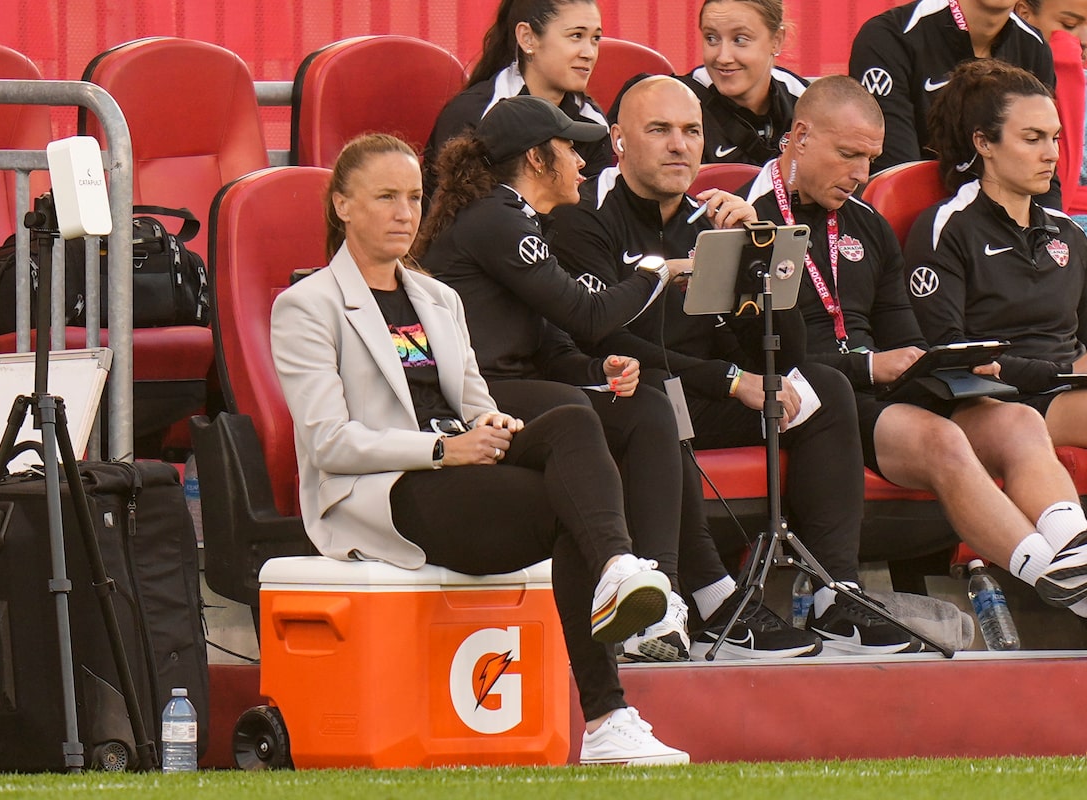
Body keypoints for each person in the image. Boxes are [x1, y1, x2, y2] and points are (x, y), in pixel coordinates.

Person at [270, 133, 689, 765]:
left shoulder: (438, 297)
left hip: (461, 465)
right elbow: (329, 444)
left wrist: (489, 429)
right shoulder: (307, 306)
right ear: (342, 207)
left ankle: (618, 578)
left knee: (575, 421)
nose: (404, 213)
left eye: (413, 197)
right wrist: (445, 451)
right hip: (389, 489)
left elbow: (474, 401)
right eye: (385, 197)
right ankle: (608, 713)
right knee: (567, 508)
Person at [417, 92, 830, 660]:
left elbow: (553, 337)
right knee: (624, 412)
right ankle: (674, 595)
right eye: (570, 148)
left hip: (514, 384)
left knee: (648, 404)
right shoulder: (495, 217)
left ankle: (658, 596)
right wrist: (659, 271)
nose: (583, 165)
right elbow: (585, 314)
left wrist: (596, 369)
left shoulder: (515, 217)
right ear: (537, 159)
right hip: (475, 398)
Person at [546, 74, 914, 657]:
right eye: (660, 130)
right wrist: (730, 380)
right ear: (618, 139)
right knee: (659, 402)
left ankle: (833, 593)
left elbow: (785, 352)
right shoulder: (581, 218)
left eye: (692, 131)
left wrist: (757, 245)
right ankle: (715, 600)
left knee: (823, 387)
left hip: (708, 391)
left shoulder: (712, 217)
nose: (679, 145)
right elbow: (604, 335)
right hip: (623, 391)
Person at [744, 75, 1087, 619]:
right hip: (821, 396)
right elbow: (759, 352)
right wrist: (870, 366)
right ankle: (1056, 579)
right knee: (942, 440)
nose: (861, 175)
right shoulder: (747, 217)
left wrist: (925, 362)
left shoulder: (868, 224)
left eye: (871, 160)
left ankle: (1076, 559)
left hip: (886, 384)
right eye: (848, 155)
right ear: (801, 136)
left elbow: (904, 331)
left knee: (1018, 421)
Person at [904, 59, 1087, 604]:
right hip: (991, 400)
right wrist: (1057, 373)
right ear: (984, 142)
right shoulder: (946, 226)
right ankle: (1076, 563)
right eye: (1031, 138)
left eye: (1054, 137)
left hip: (1060, 388)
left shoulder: (1067, 236)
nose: (1051, 153)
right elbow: (950, 353)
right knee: (1028, 416)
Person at [848, 0, 1057, 193]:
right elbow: (897, 176)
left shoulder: (1034, 46)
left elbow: (1045, 170)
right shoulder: (888, 37)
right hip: (922, 220)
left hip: (1007, 217)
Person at [422, 0, 610, 200]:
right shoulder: (471, 115)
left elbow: (594, 213)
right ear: (527, 38)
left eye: (595, 38)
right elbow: (445, 214)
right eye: (576, 36)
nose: (589, 53)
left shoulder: (593, 121)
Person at [676, 0, 808, 166]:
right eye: (711, 38)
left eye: (739, 40)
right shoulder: (675, 103)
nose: (723, 57)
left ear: (777, 40)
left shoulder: (808, 103)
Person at [1015, 0, 1087, 219]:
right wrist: (1065, 63)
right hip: (1057, 218)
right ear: (1024, 14)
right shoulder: (1003, 85)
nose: (1084, 39)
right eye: (1069, 24)